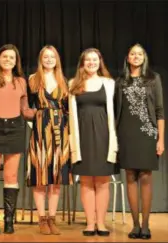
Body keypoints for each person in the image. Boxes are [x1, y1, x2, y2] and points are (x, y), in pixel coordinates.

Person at [0, 44, 37, 234]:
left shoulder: (20, 82)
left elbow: (25, 110)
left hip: (14, 130)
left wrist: (43, 113)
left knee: (11, 177)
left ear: (16, 61)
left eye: (12, 57)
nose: (8, 60)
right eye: (5, 57)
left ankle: (9, 221)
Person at [115, 44, 164, 240]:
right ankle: (134, 225)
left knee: (145, 177)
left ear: (144, 58)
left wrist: (161, 139)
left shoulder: (153, 79)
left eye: (140, 54)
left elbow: (160, 111)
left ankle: (145, 225)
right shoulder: (120, 81)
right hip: (126, 133)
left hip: (147, 133)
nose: (136, 57)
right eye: (133, 54)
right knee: (130, 177)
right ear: (127, 58)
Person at [68, 48, 118, 237]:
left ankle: (101, 224)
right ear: (82, 63)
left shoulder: (109, 83)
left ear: (100, 62)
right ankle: (90, 223)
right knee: (86, 181)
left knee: (103, 181)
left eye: (94, 59)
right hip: (82, 138)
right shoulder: (73, 84)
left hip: (104, 137)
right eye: (88, 60)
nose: (91, 62)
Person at [26, 45, 71, 235]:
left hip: (61, 130)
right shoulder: (33, 79)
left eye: (52, 56)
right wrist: (34, 122)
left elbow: (68, 108)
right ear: (41, 59)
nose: (49, 59)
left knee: (56, 178)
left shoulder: (64, 80)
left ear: (57, 59)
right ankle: (42, 218)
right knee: (40, 177)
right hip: (40, 130)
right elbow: (27, 107)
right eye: (46, 56)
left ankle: (52, 218)